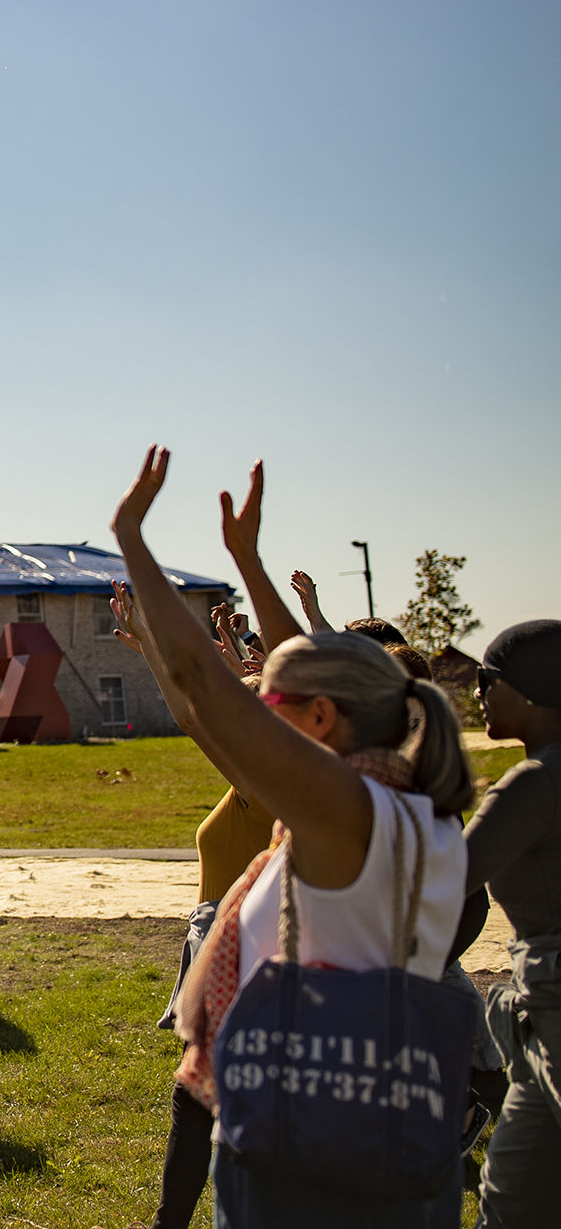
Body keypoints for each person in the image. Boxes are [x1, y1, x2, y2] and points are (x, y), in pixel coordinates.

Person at [113, 449, 475, 1228]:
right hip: (388, 1130)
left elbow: (201, 681)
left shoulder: (345, 813)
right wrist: (248, 561)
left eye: (273, 700)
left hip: (313, 1146)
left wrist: (133, 541)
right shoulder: (411, 802)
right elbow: (310, 676)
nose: (258, 705)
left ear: (318, 722)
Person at [110, 584, 277, 1229]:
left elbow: (192, 710)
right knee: (205, 1093)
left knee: (202, 1097)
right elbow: (228, 685)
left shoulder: (259, 777)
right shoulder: (267, 778)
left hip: (236, 936)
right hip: (223, 930)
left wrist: (152, 643)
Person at [464, 619, 561, 1227]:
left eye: (487, 679)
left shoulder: (536, 782)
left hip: (556, 1001)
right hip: (534, 1015)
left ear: (527, 689)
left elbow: (445, 880)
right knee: (512, 1193)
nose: (479, 693)